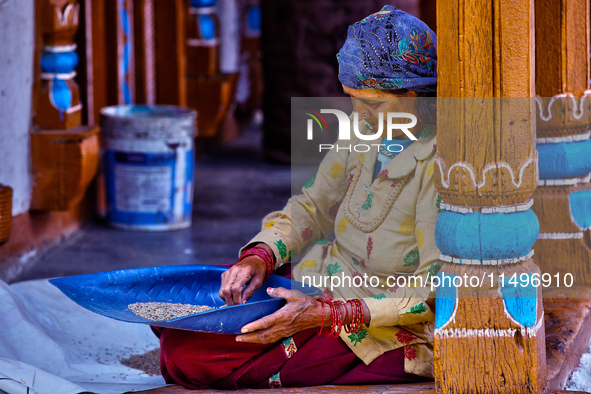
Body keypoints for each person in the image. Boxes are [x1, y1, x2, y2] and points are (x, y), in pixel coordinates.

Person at [152, 5, 441, 389]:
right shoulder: (364, 129)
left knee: (186, 356)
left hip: (378, 323)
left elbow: (431, 293)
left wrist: (325, 315)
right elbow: (313, 207)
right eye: (353, 99)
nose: (361, 115)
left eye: (373, 104)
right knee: (180, 313)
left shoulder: (440, 166)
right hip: (324, 280)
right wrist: (260, 256)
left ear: (416, 95)